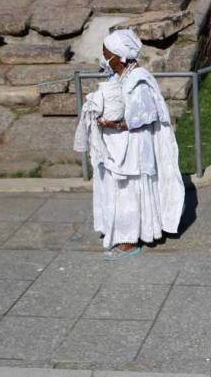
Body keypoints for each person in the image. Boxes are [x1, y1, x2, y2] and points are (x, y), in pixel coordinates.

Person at [76, 29, 186, 261]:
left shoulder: (138, 79)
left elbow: (147, 114)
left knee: (128, 191)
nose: (103, 56)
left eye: (106, 53)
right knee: (115, 189)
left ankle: (129, 239)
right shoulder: (118, 76)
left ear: (119, 56)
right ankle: (118, 229)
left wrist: (113, 124)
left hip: (133, 147)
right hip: (116, 145)